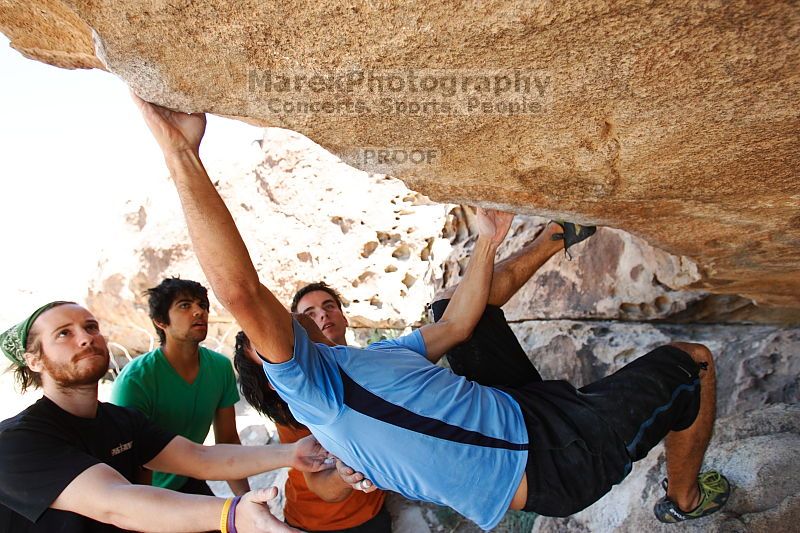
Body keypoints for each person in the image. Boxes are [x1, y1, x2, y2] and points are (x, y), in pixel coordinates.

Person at [134, 94, 729, 530]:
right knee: (693, 364)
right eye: (291, 323)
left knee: (450, 309)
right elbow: (240, 291)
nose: (312, 318)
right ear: (274, 369)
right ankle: (683, 503)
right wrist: (180, 153)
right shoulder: (313, 392)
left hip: (522, 410)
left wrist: (490, 239)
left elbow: (456, 327)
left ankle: (555, 235)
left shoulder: (367, 361)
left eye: (323, 307)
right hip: (549, 460)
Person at [0, 301, 334, 532]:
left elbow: (199, 457)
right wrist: (232, 514)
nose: (86, 337)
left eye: (90, 326)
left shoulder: (122, 422)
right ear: (34, 360)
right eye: (64, 333)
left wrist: (291, 453)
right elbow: (114, 502)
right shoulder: (16, 443)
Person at [235, 324, 391, 533]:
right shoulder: (293, 412)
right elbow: (322, 485)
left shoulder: (359, 367)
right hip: (318, 522)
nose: (322, 317)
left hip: (369, 511)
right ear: (272, 381)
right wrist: (346, 475)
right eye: (265, 351)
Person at [111, 277, 248, 496]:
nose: (198, 312)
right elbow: (129, 462)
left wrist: (247, 499)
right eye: (185, 305)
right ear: (160, 321)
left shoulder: (220, 367)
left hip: (188, 479)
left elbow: (228, 440)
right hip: (145, 492)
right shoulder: (136, 381)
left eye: (202, 305)